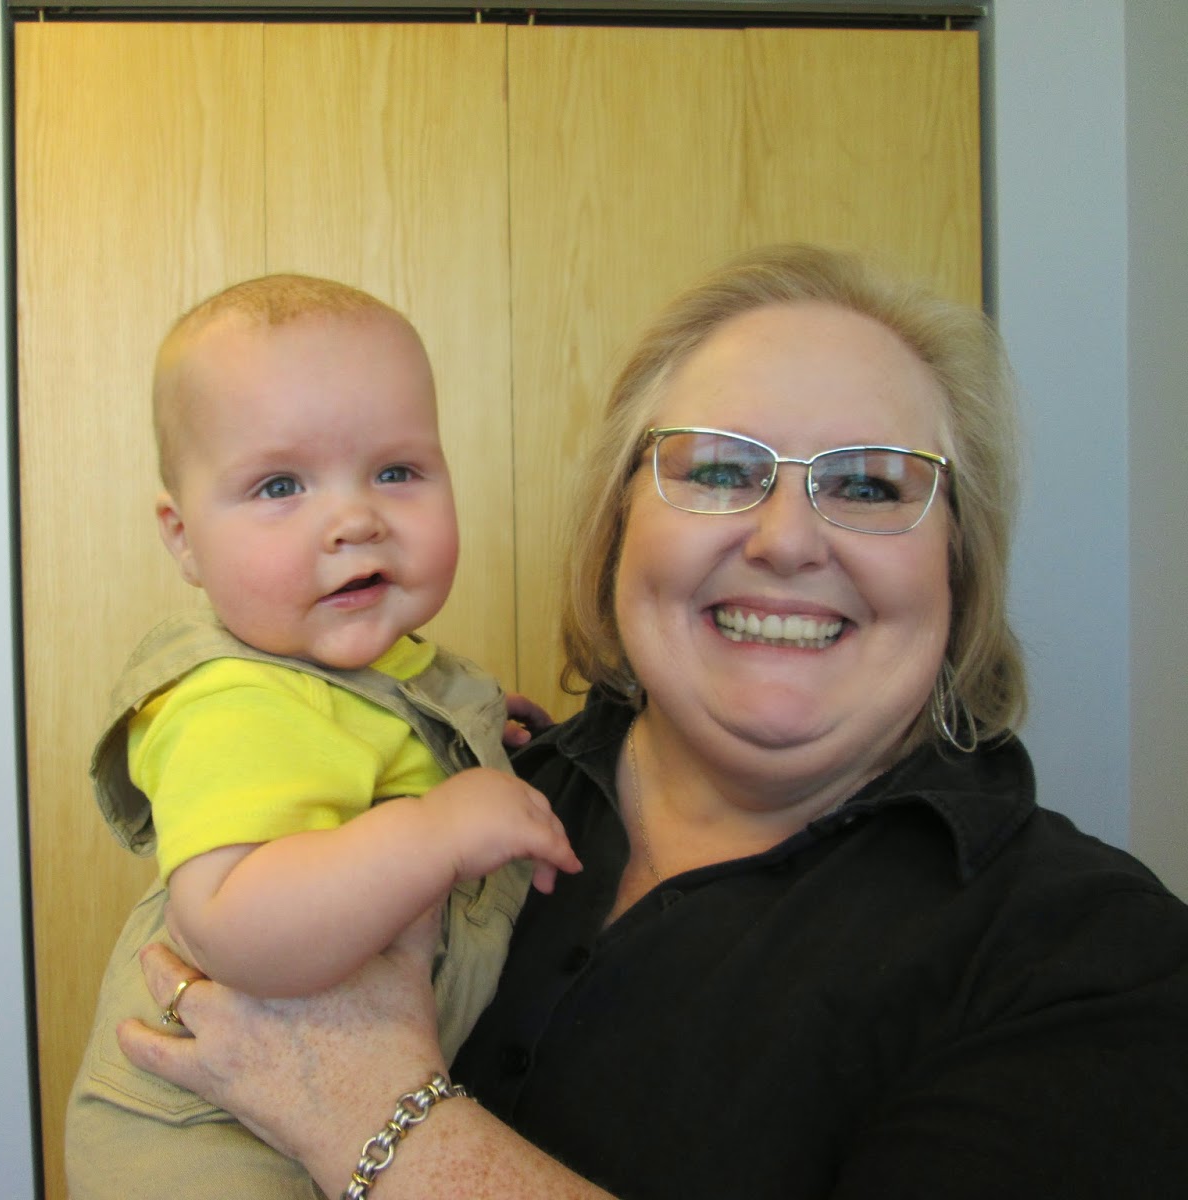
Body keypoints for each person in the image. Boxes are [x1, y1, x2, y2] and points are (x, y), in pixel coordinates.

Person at [114, 244, 1188, 1199]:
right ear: (617, 522)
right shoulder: (449, 780)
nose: (785, 541)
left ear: (958, 560)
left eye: (867, 487)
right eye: (718, 469)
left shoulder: (1095, 957)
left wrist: (378, 1117)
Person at [65, 273, 580, 1200]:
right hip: (208, 1149)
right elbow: (237, 927)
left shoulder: (371, 670)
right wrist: (439, 827)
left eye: (396, 472)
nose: (355, 519)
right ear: (183, 538)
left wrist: (463, 735)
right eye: (280, 485)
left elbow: (359, 738)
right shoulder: (233, 703)